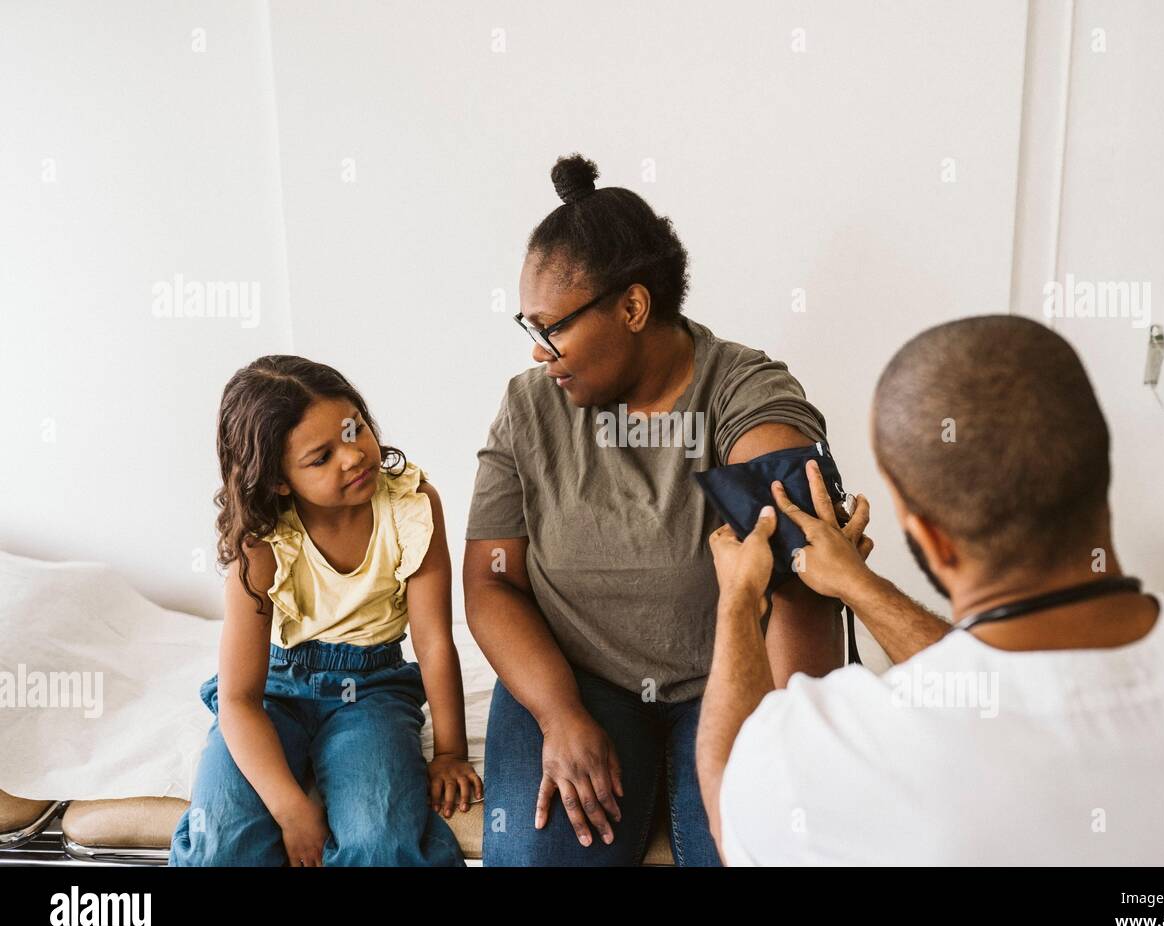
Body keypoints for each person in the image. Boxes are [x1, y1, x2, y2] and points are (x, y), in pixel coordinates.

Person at [700, 314, 1164, 865]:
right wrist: (860, 587)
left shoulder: (856, 749)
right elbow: (1007, 684)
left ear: (929, 537)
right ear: (1102, 470)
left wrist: (738, 600)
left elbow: (733, 803)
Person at [465, 153, 845, 866]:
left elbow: (801, 577)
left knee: (756, 850)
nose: (542, 353)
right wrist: (559, 715)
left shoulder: (744, 392)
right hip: (577, 675)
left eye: (555, 328)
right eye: (531, 328)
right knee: (534, 854)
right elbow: (489, 580)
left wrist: (788, 757)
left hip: (724, 680)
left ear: (633, 308)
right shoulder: (529, 407)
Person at [170, 356, 480, 866]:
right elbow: (239, 700)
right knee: (222, 844)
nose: (353, 456)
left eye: (354, 430)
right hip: (274, 691)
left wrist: (449, 753)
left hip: (373, 691)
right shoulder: (261, 542)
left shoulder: (411, 505)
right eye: (322, 457)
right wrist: (293, 811)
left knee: (379, 842)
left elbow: (432, 641)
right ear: (277, 481)